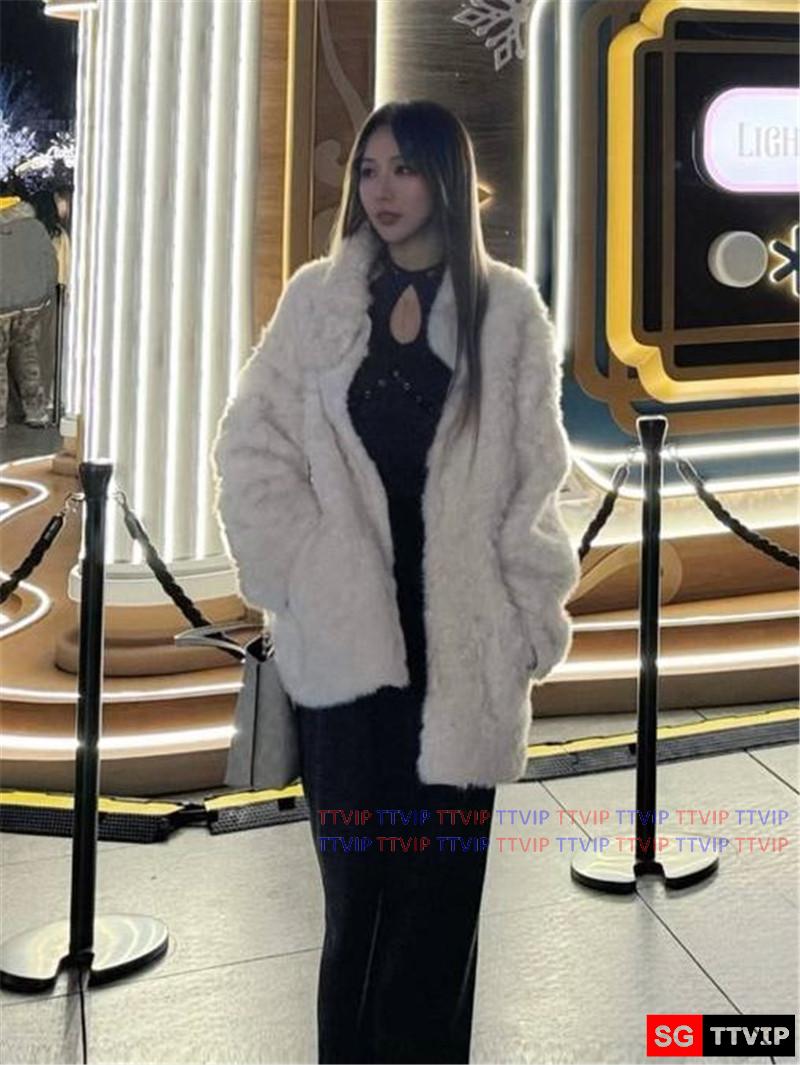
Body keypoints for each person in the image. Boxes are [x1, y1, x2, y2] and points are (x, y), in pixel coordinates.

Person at [212, 100, 580, 1064]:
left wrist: (528, 625)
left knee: (438, 911)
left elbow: (535, 485)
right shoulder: (317, 301)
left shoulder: (508, 312)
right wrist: (305, 574)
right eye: (368, 169)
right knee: (355, 903)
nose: (382, 189)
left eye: (404, 168)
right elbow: (251, 451)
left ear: (444, 178)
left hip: (462, 652)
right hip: (346, 654)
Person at [0, 185, 57, 430]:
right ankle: (36, 412)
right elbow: (50, 262)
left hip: (2, 307)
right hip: (31, 305)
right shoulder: (35, 227)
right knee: (29, 358)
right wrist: (44, 296)